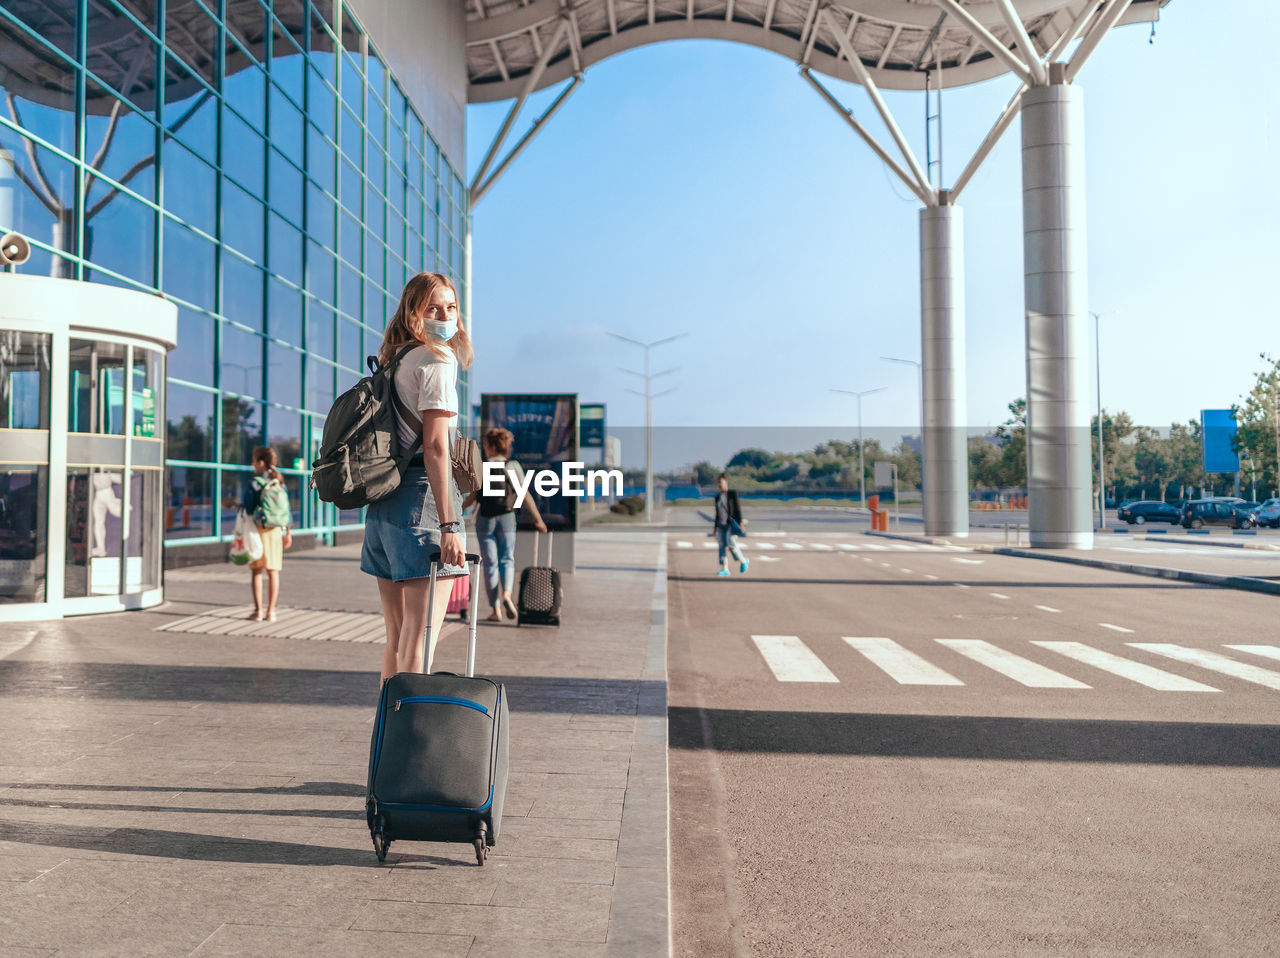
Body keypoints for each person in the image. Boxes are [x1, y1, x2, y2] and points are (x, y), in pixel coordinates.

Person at [361, 272, 471, 682]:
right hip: (423, 504)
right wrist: (450, 524)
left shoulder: (394, 362)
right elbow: (437, 448)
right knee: (420, 640)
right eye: (433, 308)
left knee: (397, 639)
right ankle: (411, 740)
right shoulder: (438, 359)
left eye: (451, 307)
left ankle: (390, 737)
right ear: (413, 314)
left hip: (384, 506)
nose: (446, 315)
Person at [462, 428, 547, 622]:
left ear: (491, 446)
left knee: (490, 563)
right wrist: (538, 520)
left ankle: (495, 610)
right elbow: (524, 494)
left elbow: (473, 496)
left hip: (485, 518)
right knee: (507, 559)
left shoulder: (481, 466)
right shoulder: (512, 465)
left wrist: (456, 511)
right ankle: (507, 594)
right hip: (508, 517)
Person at [244, 446, 293, 621]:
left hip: (258, 530)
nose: (252, 463)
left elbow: (248, 509)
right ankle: (271, 612)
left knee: (257, 570)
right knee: (273, 572)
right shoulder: (279, 482)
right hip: (276, 532)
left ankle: (258, 611)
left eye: (253, 460)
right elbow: (286, 509)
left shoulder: (255, 483)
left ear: (261, 463)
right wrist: (288, 532)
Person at [712, 473, 748, 577]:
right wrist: (715, 528)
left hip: (730, 524)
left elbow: (737, 509)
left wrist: (740, 522)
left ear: (726, 482)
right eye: (718, 482)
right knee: (721, 546)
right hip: (720, 525)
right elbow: (717, 513)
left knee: (731, 543)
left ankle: (743, 560)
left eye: (721, 482)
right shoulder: (718, 497)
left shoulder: (732, 493)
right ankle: (725, 568)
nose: (719, 484)